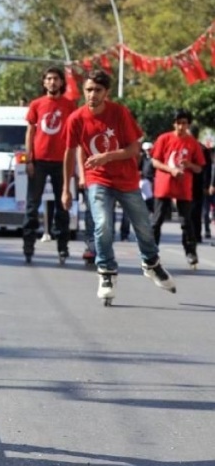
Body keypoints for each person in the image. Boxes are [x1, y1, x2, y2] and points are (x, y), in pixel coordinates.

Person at [62, 70, 176, 304]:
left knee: (144, 227)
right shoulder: (76, 119)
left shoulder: (119, 113)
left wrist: (106, 157)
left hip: (126, 180)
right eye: (88, 90)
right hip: (98, 180)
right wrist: (66, 188)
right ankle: (106, 273)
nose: (92, 95)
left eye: (97, 90)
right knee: (103, 225)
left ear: (106, 93)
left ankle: (151, 264)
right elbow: (69, 153)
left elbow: (134, 150)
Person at [22, 66, 76, 264]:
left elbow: (74, 134)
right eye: (49, 79)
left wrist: (75, 164)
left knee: (63, 206)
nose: (52, 82)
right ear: (44, 82)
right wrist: (29, 159)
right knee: (32, 206)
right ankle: (28, 245)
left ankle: (62, 247)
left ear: (62, 82)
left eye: (56, 79)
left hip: (61, 162)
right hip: (39, 161)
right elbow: (30, 132)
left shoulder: (69, 105)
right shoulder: (36, 104)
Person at [151, 110, 205, 268]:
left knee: (186, 222)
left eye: (185, 123)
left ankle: (190, 252)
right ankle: (151, 252)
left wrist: (189, 165)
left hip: (183, 187)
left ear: (188, 124)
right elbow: (155, 161)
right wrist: (171, 170)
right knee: (157, 220)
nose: (181, 126)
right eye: (178, 122)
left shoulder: (192, 143)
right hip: (164, 184)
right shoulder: (164, 138)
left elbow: (199, 168)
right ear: (174, 123)